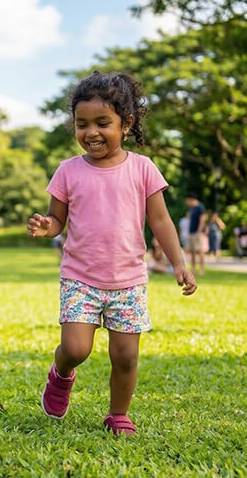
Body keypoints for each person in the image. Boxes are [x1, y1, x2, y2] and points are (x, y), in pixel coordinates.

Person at [27, 71, 197, 436]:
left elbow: (161, 221)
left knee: (125, 356)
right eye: (82, 124)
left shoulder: (143, 168)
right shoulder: (68, 171)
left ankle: (118, 414)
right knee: (76, 349)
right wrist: (47, 227)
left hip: (128, 281)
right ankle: (61, 373)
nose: (91, 133)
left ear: (126, 124)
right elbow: (57, 220)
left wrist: (178, 263)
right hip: (80, 278)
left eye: (102, 123)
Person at [185, 195, 207, 275]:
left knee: (200, 251)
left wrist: (199, 231)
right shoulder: (192, 209)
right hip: (191, 233)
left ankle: (202, 269)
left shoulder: (200, 207)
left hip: (198, 233)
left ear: (191, 199)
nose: (186, 203)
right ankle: (193, 269)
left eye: (187, 201)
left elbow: (203, 220)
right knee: (193, 252)